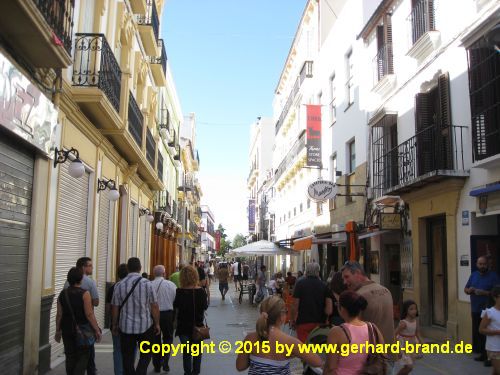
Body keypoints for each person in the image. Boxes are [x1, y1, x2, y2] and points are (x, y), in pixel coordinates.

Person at [236, 296, 324, 374]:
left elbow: (240, 366)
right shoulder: (290, 342)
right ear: (282, 316)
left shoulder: (250, 338)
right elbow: (317, 362)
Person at [111, 257, 160, 375]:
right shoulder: (148, 284)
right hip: (145, 326)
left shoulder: (119, 285)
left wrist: (114, 324)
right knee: (146, 353)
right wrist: (157, 323)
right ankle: (140, 371)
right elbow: (154, 306)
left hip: (126, 327)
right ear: (140, 268)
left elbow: (115, 307)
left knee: (127, 357)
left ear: (128, 268)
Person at [323, 291, 384, 375]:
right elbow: (382, 355)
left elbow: (331, 367)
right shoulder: (373, 328)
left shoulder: (336, 332)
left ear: (342, 309)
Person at [55, 267, 102, 375]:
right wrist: (96, 330)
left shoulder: (63, 294)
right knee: (83, 356)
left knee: (70, 356)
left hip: (66, 329)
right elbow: (89, 314)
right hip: (82, 330)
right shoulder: (85, 294)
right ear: (80, 279)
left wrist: (57, 330)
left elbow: (59, 314)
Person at [341, 261, 395, 352]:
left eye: (347, 277)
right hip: (390, 351)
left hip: (370, 356)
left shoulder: (358, 296)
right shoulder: (386, 290)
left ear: (358, 273)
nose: (344, 282)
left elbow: (353, 328)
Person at [465, 256, 500, 366]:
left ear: (487, 264)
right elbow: (465, 289)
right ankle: (483, 354)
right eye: (480, 264)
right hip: (475, 308)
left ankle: (491, 358)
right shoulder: (474, 275)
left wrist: (484, 293)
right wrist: (469, 290)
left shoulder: (493, 276)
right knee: (478, 332)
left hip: (488, 309)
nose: (482, 266)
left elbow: (497, 292)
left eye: (484, 264)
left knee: (488, 333)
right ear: (477, 264)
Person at [173, 265, 209, 375]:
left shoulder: (179, 291)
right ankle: (195, 372)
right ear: (195, 276)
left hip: (183, 327)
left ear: (182, 277)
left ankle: (187, 373)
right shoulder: (201, 292)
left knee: (186, 352)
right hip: (197, 327)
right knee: (197, 352)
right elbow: (205, 306)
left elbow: (176, 306)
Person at [292, 263, 331, 343]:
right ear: (318, 272)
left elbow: (295, 305)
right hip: (320, 323)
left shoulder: (300, 284)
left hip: (303, 321)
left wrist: (293, 319)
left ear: (307, 271)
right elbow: (328, 309)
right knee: (317, 348)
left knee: (303, 349)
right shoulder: (324, 285)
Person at [152, 265, 177, 373]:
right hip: (167, 314)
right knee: (167, 338)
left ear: (154, 274)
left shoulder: (149, 284)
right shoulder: (171, 285)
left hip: (153, 316)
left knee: (155, 341)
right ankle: (165, 360)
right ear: (164, 273)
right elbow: (175, 300)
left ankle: (157, 364)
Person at [106, 263, 128, 375]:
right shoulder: (132, 286)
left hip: (117, 323)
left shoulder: (113, 288)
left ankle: (118, 372)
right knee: (130, 350)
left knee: (118, 350)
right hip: (129, 324)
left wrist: (113, 323)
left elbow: (109, 307)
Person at [395, 300, 424, 375]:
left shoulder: (415, 321)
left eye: (415, 308)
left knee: (409, 366)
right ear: (406, 310)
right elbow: (395, 335)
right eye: (411, 309)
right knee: (409, 366)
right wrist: (397, 349)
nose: (414, 311)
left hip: (412, 345)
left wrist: (422, 344)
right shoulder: (403, 323)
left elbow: (417, 333)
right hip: (403, 345)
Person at [479, 285, 500, 375]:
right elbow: (481, 330)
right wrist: (497, 332)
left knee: (495, 372)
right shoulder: (490, 312)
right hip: (494, 348)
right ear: (495, 297)